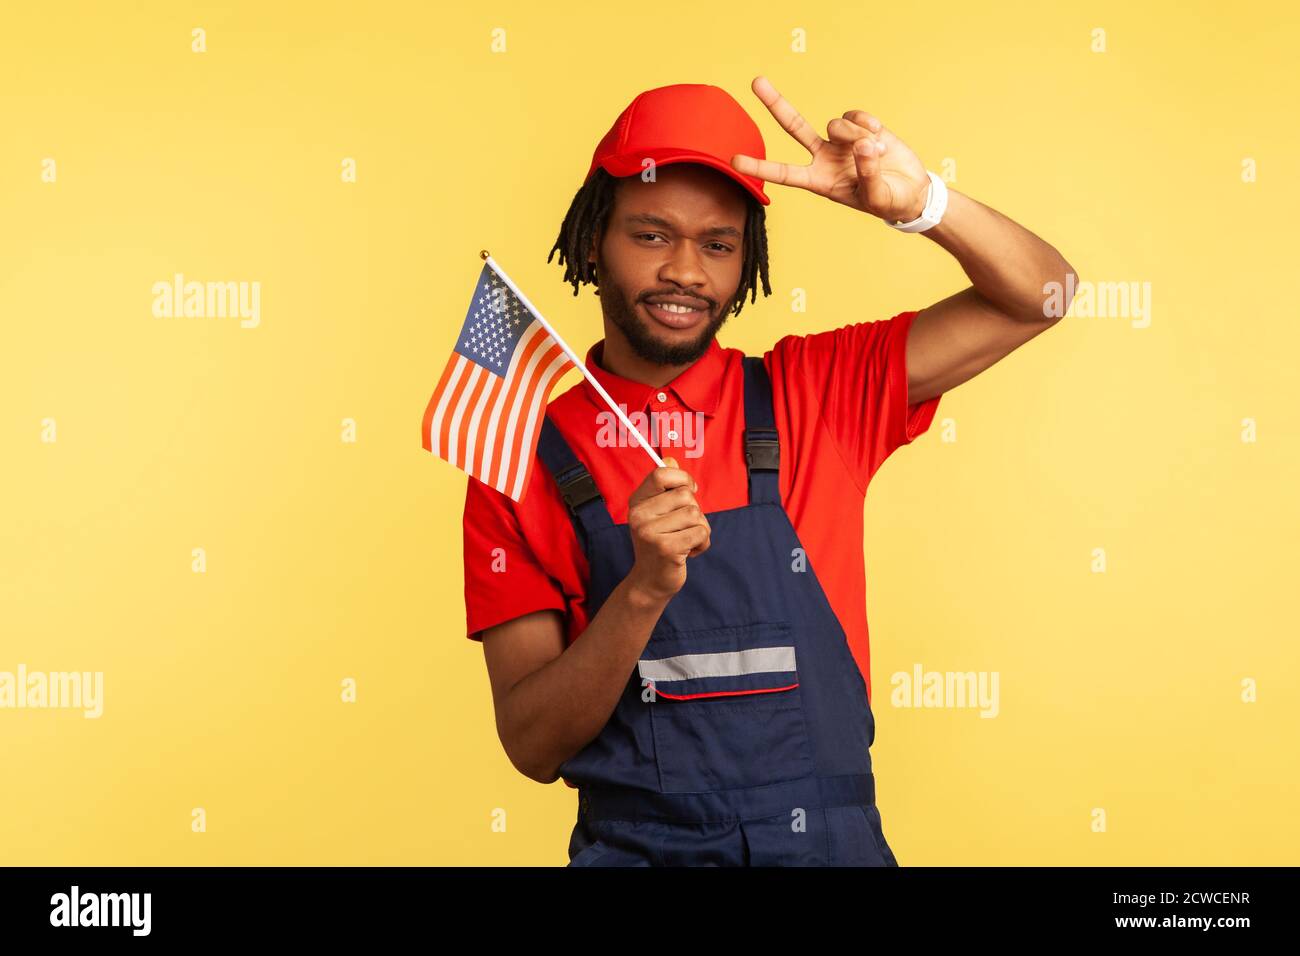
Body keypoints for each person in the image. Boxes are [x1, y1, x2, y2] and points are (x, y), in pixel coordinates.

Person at [461, 78, 1077, 866]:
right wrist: (642, 591)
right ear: (591, 240)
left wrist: (921, 202)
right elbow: (532, 744)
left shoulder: (816, 393)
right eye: (652, 235)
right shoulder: (521, 462)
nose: (687, 271)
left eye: (718, 244)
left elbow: (1044, 295)